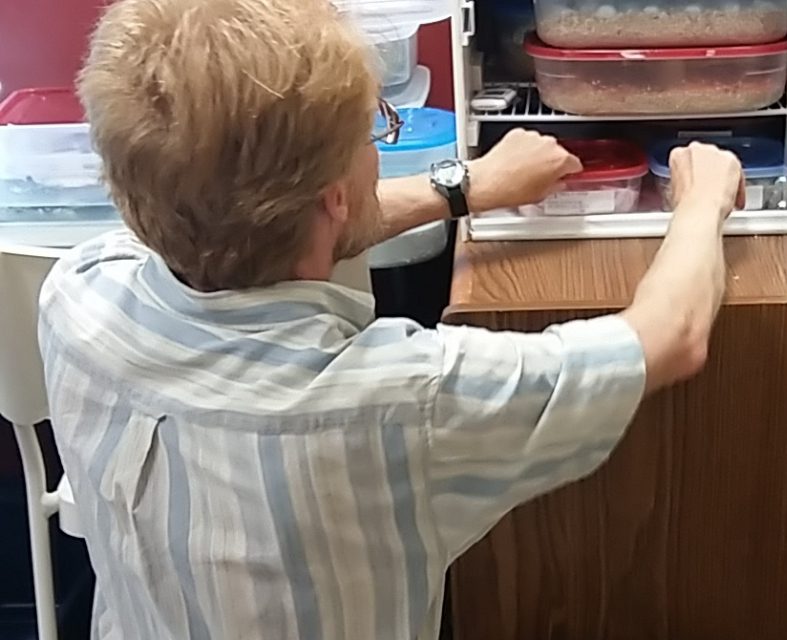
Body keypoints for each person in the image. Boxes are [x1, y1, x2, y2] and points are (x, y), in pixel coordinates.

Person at [37, 0, 746, 638]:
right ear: (336, 194)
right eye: (373, 132)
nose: (376, 145)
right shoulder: (400, 401)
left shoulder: (78, 296)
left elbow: (241, 221)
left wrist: (464, 188)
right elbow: (668, 337)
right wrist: (701, 200)